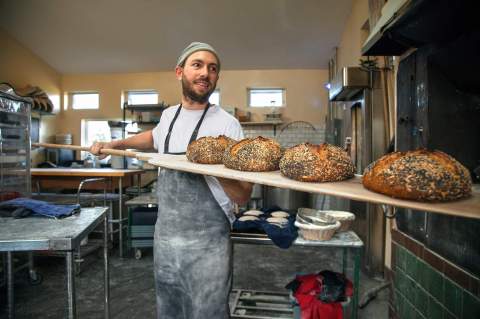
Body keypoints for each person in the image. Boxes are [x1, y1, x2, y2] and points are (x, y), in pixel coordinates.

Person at [90, 42, 252, 318]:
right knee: (169, 310)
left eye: (213, 69)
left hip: (209, 244)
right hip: (166, 239)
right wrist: (115, 143)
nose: (206, 73)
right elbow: (154, 138)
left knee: (208, 311)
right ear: (179, 72)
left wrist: (212, 166)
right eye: (198, 65)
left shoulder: (227, 124)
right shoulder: (169, 116)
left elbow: (243, 196)